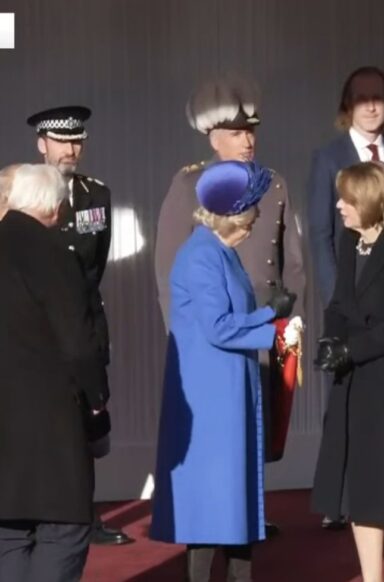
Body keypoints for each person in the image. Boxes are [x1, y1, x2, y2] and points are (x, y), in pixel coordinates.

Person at [154, 77, 305, 536]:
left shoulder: (273, 182)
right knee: (218, 431)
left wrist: (290, 319)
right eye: (238, 132)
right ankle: (217, 517)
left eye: (251, 131)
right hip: (215, 330)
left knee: (261, 422)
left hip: (265, 320)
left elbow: (291, 260)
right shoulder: (189, 184)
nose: (248, 140)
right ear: (212, 136)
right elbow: (168, 268)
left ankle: (248, 511)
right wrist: (184, 341)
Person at [149, 160, 297, 582]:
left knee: (235, 498)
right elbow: (217, 328)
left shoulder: (219, 251)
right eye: (250, 214)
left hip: (227, 387)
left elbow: (232, 316)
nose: (255, 223)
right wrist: (275, 333)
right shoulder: (200, 256)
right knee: (213, 503)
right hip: (209, 393)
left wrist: (272, 315)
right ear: (232, 216)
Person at [311, 161, 384, 582]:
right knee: (361, 487)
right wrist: (330, 339)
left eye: (347, 200)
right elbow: (340, 303)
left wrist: (351, 348)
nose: (340, 208)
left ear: (372, 201)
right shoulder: (350, 242)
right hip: (355, 381)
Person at [25, 105, 132, 546]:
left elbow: (94, 265)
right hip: (36, 331)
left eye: (77, 141)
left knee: (88, 424)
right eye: (61, 141)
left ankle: (84, 519)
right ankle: (32, 517)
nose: (71, 149)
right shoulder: (21, 193)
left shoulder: (96, 195)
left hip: (84, 324)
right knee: (37, 424)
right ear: (42, 144)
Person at [0, 164, 110, 582]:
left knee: (7, 535)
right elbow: (79, 346)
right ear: (54, 206)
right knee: (63, 532)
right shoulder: (54, 257)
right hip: (51, 426)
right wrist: (97, 400)